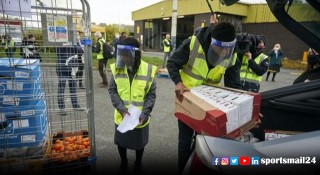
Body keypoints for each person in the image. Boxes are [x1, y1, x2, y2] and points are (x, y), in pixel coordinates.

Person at [167, 14, 242, 175]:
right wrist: (178, 83)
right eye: (219, 48)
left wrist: (246, 110)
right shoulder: (193, 43)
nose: (222, 52)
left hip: (209, 104)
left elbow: (234, 85)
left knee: (206, 143)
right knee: (184, 143)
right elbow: (172, 63)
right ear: (211, 41)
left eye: (226, 49)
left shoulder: (232, 55)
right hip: (187, 100)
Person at [108, 37, 157, 173]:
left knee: (139, 143)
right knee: (121, 142)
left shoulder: (148, 70)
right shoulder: (116, 69)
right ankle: (123, 161)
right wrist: (122, 110)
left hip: (140, 117)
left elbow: (151, 95)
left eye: (126, 54)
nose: (123, 58)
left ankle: (138, 162)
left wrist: (145, 113)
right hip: (122, 116)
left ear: (136, 54)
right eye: (121, 54)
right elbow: (112, 90)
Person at [56, 42, 84, 115]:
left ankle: (75, 105)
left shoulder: (74, 41)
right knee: (61, 88)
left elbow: (81, 51)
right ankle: (62, 108)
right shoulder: (60, 41)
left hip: (73, 69)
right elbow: (59, 52)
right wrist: (67, 44)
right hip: (62, 68)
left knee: (73, 88)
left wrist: (74, 44)